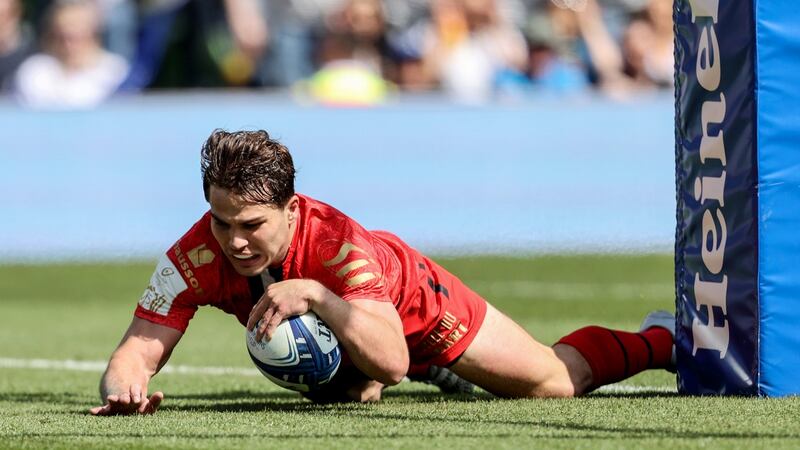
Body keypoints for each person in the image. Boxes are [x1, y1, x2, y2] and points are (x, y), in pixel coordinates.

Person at [90, 129, 675, 415]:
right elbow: (135, 352)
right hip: (357, 331)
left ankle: (662, 338)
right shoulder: (192, 256)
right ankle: (367, 377)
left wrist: (317, 293)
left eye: (252, 225)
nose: (235, 241)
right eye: (221, 222)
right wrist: (124, 393)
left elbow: (393, 360)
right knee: (345, 389)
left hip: (414, 309)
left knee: (553, 382)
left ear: (291, 210)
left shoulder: (340, 244)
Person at [12, 0, 129, 108]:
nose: (69, 44)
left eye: (77, 36)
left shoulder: (116, 71)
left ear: (93, 34)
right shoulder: (33, 71)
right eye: (62, 36)